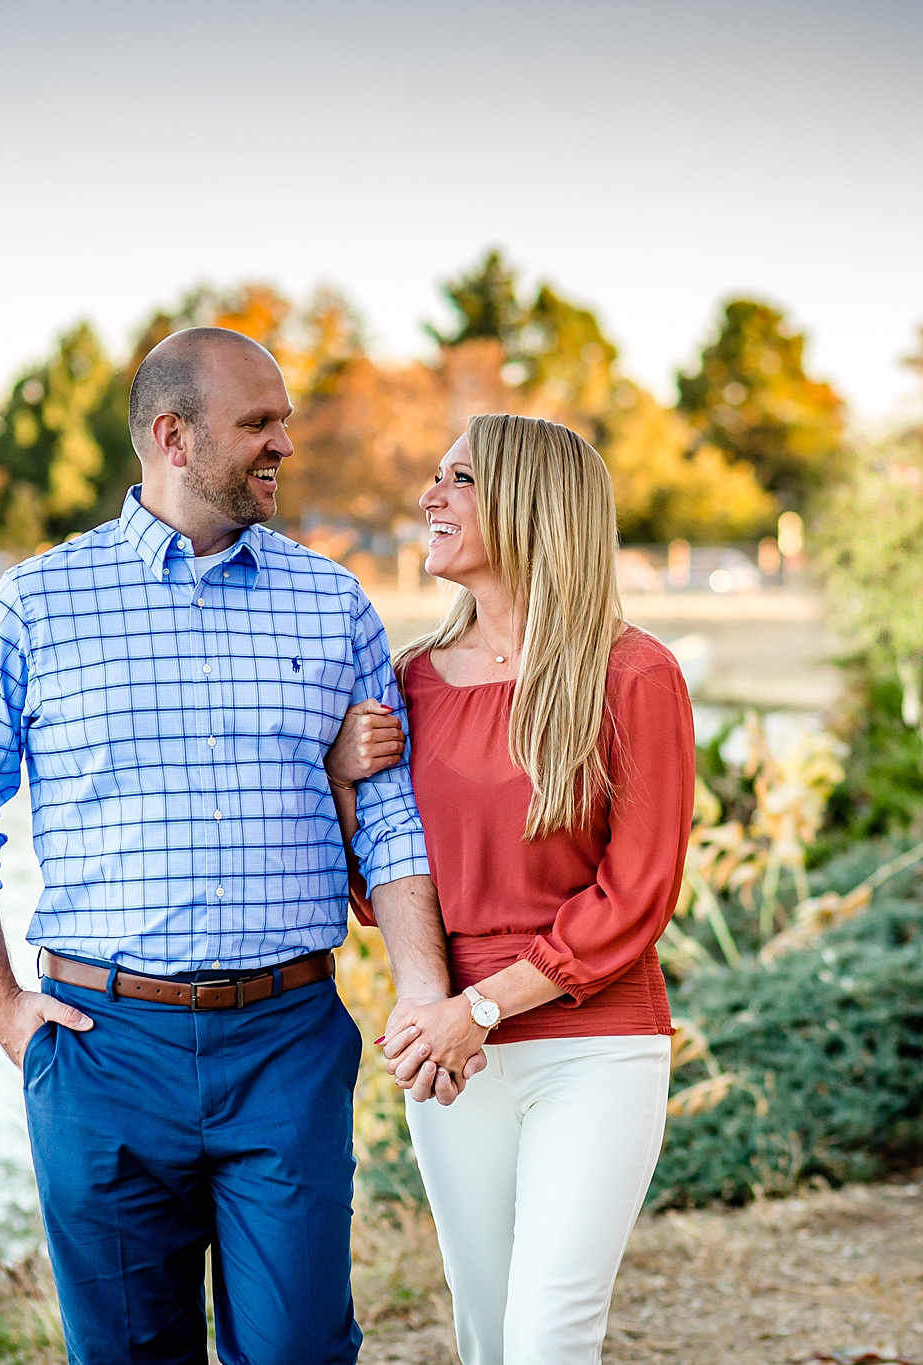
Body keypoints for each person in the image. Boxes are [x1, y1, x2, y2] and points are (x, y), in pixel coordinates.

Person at [0, 327, 466, 1365]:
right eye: (259, 424)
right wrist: (2, 1012)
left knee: (299, 1351)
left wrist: (421, 988)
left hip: (287, 1044)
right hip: (100, 1048)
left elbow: (388, 815)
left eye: (283, 422)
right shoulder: (32, 607)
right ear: (172, 436)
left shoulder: (331, 601)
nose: (284, 446)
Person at [326, 413, 695, 1365]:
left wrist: (483, 1005)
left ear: (531, 503)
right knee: (486, 1330)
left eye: (461, 479)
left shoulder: (632, 674)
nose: (429, 496)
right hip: (456, 1055)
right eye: (435, 475)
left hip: (593, 1044)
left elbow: (638, 892)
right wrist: (341, 783)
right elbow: (382, 888)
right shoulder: (410, 682)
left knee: (546, 1332)